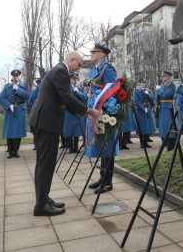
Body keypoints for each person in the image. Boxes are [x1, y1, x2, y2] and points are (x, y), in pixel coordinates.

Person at [29, 50, 99, 216]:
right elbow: (67, 98)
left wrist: (79, 114)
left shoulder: (58, 70)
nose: (78, 69)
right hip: (46, 122)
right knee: (46, 164)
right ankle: (40, 205)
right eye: (79, 65)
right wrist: (89, 112)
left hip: (44, 121)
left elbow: (62, 99)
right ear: (72, 60)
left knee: (43, 163)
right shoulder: (61, 70)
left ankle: (43, 199)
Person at [86, 43, 119, 194]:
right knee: (101, 146)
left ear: (101, 54)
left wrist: (106, 111)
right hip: (95, 112)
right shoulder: (95, 70)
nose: (91, 54)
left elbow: (112, 90)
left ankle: (108, 181)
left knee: (107, 146)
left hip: (105, 113)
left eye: (94, 52)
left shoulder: (108, 68)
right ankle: (102, 177)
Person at [0, 69, 30, 158]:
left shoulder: (25, 86)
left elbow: (28, 96)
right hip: (10, 110)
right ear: (12, 77)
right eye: (14, 76)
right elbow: (1, 98)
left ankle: (15, 151)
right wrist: (9, 105)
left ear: (20, 76)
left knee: (18, 131)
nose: (15, 77)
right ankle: (10, 151)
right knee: (9, 131)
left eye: (17, 75)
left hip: (20, 109)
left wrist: (18, 90)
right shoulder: (7, 87)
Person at [156, 70, 176, 151]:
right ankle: (166, 143)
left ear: (168, 77)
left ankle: (171, 145)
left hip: (168, 108)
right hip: (162, 108)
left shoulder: (171, 85)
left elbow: (165, 95)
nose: (162, 78)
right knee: (164, 127)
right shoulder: (163, 86)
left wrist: (159, 90)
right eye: (162, 76)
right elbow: (157, 98)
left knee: (169, 126)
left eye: (164, 76)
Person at [134, 78, 156, 148]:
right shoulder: (137, 91)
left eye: (144, 83)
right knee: (142, 127)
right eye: (142, 83)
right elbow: (137, 101)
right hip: (141, 111)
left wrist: (148, 94)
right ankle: (142, 142)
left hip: (148, 109)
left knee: (149, 127)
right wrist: (143, 109)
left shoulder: (148, 90)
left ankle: (146, 142)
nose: (144, 84)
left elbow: (152, 99)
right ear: (140, 83)